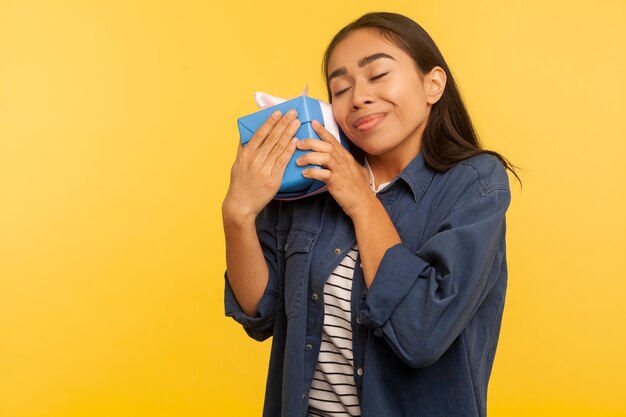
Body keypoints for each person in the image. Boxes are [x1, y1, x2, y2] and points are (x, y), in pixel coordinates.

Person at [222, 11, 521, 417]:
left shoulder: (476, 184)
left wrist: (362, 201)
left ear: (433, 84)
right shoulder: (310, 182)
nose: (358, 96)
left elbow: (421, 332)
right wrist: (237, 216)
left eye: (377, 74)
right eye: (341, 87)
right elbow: (263, 314)